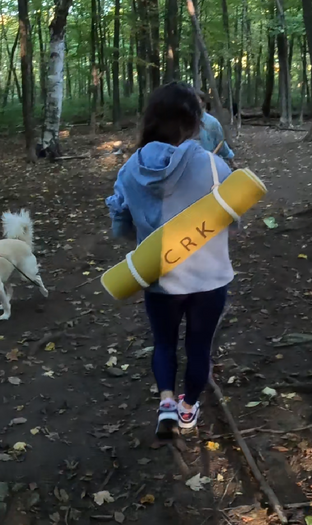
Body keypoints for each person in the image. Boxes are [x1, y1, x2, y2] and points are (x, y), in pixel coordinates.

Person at [106, 83, 234, 438]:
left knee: (163, 343)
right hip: (209, 279)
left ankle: (165, 404)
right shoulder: (213, 166)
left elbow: (120, 229)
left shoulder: (130, 169)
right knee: (198, 346)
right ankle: (188, 409)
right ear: (194, 122)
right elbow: (231, 219)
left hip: (159, 276)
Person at [195, 92, 235, 164]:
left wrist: (232, 161)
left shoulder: (212, 122)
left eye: (197, 99)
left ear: (203, 103)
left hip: (210, 163)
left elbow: (220, 143)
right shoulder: (185, 122)